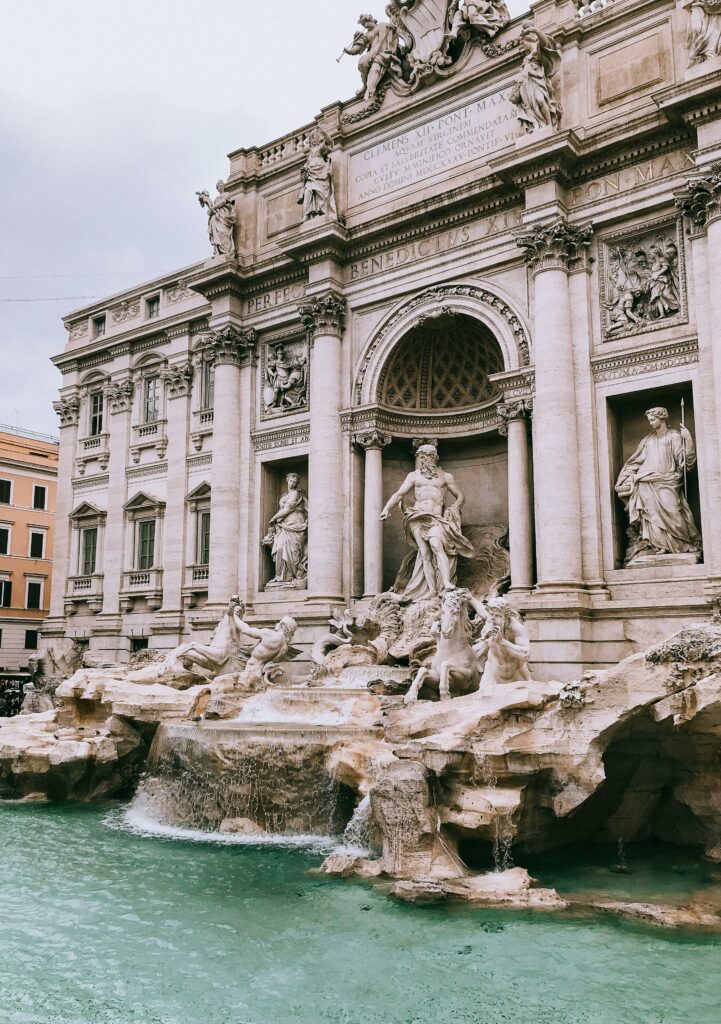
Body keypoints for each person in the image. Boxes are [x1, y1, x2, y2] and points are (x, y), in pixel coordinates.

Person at [380, 445, 474, 601]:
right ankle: (431, 590)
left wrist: (453, 510)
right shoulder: (413, 476)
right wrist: (386, 508)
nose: (423, 460)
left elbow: (461, 497)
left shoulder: (445, 477)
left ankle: (445, 582)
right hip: (417, 516)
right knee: (424, 554)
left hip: (436, 518)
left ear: (434, 457)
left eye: (426, 456)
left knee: (436, 546)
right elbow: (399, 494)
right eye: (421, 456)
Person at [615, 406, 701, 562]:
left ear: (662, 418)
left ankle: (682, 543)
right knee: (651, 516)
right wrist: (626, 477)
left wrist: (688, 439)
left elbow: (685, 462)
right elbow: (636, 461)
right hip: (647, 483)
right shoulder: (647, 440)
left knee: (674, 511)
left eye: (653, 419)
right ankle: (657, 546)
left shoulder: (673, 436)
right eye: (649, 420)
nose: (650, 423)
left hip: (668, 481)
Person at [263, 474, 309, 586]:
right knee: (279, 547)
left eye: (294, 482)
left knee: (294, 551)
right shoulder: (286, 494)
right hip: (285, 524)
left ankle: (291, 576)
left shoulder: (295, 493)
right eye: (290, 481)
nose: (292, 483)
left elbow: (287, 510)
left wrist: (273, 519)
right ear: (287, 481)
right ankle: (280, 576)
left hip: (296, 523)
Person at [298, 128, 337, 220]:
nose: (311, 140)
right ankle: (307, 214)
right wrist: (304, 169)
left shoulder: (321, 147)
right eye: (310, 138)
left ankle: (321, 211)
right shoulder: (310, 151)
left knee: (320, 192)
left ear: (317, 138)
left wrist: (323, 132)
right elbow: (308, 161)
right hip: (311, 172)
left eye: (313, 137)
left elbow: (331, 144)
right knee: (308, 192)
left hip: (321, 170)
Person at [197, 180, 237, 258]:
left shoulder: (227, 194)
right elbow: (212, 207)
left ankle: (227, 251)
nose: (220, 187)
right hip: (217, 217)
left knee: (223, 232)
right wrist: (205, 200)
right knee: (217, 232)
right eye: (219, 186)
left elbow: (223, 202)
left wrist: (214, 207)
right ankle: (220, 252)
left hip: (224, 216)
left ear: (224, 187)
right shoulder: (216, 198)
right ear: (217, 188)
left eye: (222, 186)